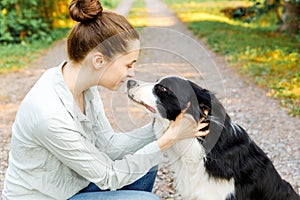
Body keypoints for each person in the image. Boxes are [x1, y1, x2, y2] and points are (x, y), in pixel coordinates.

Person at [2, 0, 208, 199]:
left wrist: (168, 123)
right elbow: (109, 176)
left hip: (73, 185)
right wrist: (169, 137)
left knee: (145, 162)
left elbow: (109, 146)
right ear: (99, 61)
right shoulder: (49, 114)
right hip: (47, 197)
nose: (131, 73)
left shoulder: (82, 86)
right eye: (129, 64)